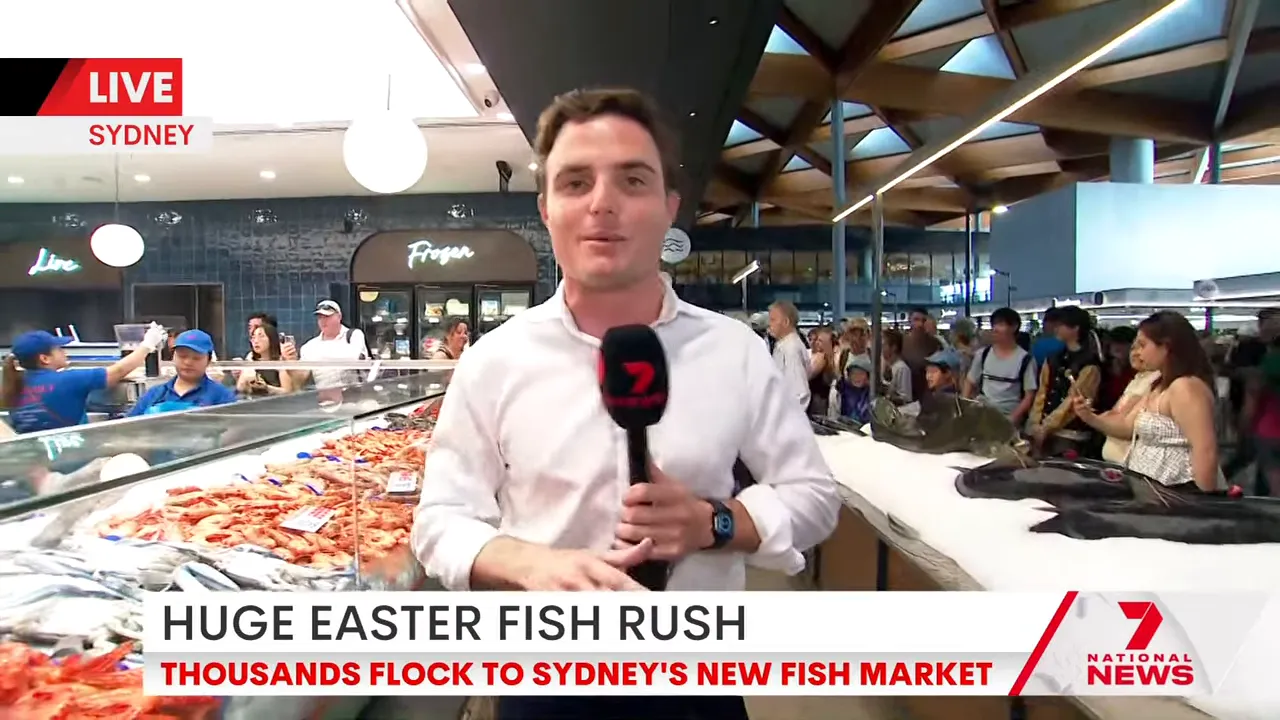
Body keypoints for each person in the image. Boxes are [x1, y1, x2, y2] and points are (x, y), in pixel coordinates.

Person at [411, 88, 838, 720]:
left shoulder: (734, 351)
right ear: (548, 211)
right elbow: (440, 520)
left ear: (669, 210)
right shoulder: (492, 361)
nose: (602, 203)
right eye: (575, 182)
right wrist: (528, 563)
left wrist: (713, 522)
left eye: (631, 180)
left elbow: (815, 496)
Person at [1072, 311, 1223, 491]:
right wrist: (1089, 417)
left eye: (1143, 345)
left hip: (1179, 493)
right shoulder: (1157, 385)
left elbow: (1205, 450)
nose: (1137, 352)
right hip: (1151, 492)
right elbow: (1128, 426)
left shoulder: (1186, 387)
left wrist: (1204, 503)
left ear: (1166, 347)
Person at [2, 325, 166, 433]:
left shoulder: (14, 386)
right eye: (58, 349)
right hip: (68, 456)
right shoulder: (68, 380)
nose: (64, 352)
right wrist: (148, 344)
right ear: (45, 358)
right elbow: (117, 371)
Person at [1028, 305, 1102, 458]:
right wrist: (1035, 422)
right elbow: (1042, 391)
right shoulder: (1054, 358)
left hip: (1071, 434)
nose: (1056, 328)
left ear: (1075, 328)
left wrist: (1046, 426)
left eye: (1061, 325)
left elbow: (1073, 404)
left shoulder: (1089, 365)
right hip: (1044, 429)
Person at [128, 330, 237, 416]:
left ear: (208, 361)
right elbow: (129, 428)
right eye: (182, 356)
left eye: (196, 358)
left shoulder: (221, 397)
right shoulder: (154, 394)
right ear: (173, 357)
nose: (188, 362)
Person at [965, 307, 1037, 427]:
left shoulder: (1025, 359)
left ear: (1014, 327)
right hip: (982, 413)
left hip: (1008, 417)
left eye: (1001, 324)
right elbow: (969, 381)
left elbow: (1029, 396)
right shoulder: (983, 354)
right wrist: (965, 407)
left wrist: (1013, 418)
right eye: (994, 325)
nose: (995, 329)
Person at [299, 300, 369, 389]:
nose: (323, 321)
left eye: (327, 316)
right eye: (320, 317)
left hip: (354, 398)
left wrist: (318, 354)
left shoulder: (354, 335)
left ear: (339, 316)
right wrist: (289, 360)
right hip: (326, 398)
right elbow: (301, 377)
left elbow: (353, 357)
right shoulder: (309, 346)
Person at [767, 300, 811, 412]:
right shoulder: (784, 345)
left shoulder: (790, 349)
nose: (769, 324)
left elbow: (800, 393)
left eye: (773, 320)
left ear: (786, 322)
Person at [237, 323, 295, 396]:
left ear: (271, 339)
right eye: (253, 337)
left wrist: (267, 388)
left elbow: (287, 391)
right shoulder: (251, 357)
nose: (256, 341)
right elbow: (240, 388)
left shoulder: (280, 360)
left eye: (261, 336)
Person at [901, 307, 941, 402]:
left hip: (927, 396)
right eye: (916, 320)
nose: (920, 324)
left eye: (923, 320)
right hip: (906, 394)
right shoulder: (901, 342)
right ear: (909, 320)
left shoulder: (934, 344)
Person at [1097, 326, 1137, 414]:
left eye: (1123, 343)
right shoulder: (1101, 369)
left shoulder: (1138, 372)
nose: (1117, 347)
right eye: (1114, 343)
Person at [831, 355, 873, 424]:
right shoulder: (842, 391)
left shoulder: (871, 393)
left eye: (861, 374)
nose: (857, 377)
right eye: (853, 373)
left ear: (868, 377)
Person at [806, 326, 837, 416]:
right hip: (821, 397)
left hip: (818, 398)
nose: (817, 343)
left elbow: (809, 375)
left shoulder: (822, 357)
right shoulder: (828, 356)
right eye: (817, 340)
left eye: (821, 341)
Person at [880, 328, 912, 405]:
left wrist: (888, 395)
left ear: (894, 347)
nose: (881, 349)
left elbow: (906, 399)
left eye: (884, 345)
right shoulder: (882, 363)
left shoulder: (902, 368)